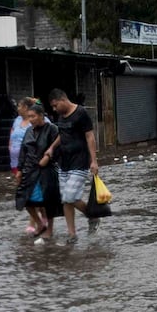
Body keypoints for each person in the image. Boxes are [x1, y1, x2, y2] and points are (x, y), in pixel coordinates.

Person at [45, 88, 98, 242]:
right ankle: (72, 234)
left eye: (55, 105)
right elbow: (62, 135)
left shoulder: (81, 113)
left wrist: (94, 161)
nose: (54, 109)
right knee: (65, 199)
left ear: (63, 99)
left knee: (70, 196)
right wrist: (52, 147)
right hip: (64, 162)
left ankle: (91, 214)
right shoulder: (61, 117)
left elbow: (90, 136)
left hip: (80, 162)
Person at [15, 103, 61, 241]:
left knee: (48, 201)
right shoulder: (29, 131)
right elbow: (23, 151)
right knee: (24, 199)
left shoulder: (52, 129)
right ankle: (40, 224)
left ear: (41, 116)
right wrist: (19, 170)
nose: (31, 119)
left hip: (46, 171)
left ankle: (50, 230)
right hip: (29, 170)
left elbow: (59, 148)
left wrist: (48, 157)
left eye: (33, 116)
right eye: (29, 117)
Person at [8, 97, 33, 179]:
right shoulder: (17, 120)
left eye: (19, 106)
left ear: (25, 107)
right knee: (20, 183)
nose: (17, 109)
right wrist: (10, 145)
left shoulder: (35, 119)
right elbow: (12, 130)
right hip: (15, 161)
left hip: (28, 160)